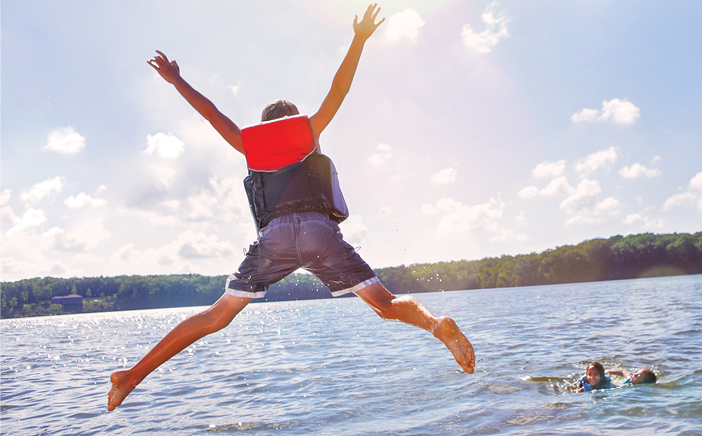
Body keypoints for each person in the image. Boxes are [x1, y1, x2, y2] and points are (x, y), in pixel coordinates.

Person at [107, 4, 474, 412]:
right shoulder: (310, 131)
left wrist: (176, 80)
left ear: (264, 126)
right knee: (385, 305)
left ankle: (131, 375)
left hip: (275, 238)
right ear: (296, 123)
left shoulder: (250, 145)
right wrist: (358, 39)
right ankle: (435, 324)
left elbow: (210, 112)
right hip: (320, 233)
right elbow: (340, 89)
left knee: (216, 316)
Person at [575, 362, 657, 392]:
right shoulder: (630, 377)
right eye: (636, 373)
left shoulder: (639, 390)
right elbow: (623, 371)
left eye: (639, 375)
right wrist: (610, 371)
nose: (635, 375)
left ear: (644, 382)